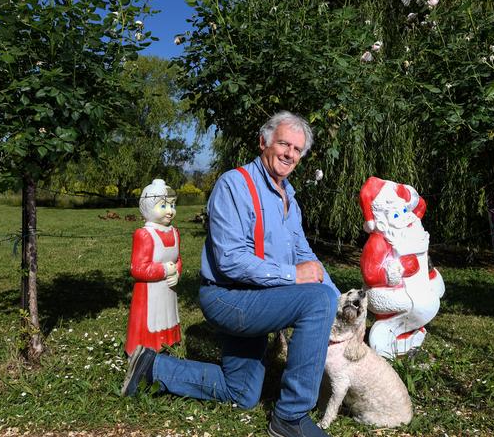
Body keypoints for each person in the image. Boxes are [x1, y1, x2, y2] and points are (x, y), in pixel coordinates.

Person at [122, 112, 340, 437]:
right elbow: (230, 261)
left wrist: (341, 301)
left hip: (259, 300)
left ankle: (152, 368)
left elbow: (304, 254)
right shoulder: (234, 185)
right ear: (263, 141)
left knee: (242, 393)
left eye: (297, 149)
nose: (290, 154)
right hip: (228, 298)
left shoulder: (289, 199)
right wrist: (296, 278)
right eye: (284, 143)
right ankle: (291, 417)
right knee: (317, 301)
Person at [124, 179, 182, 356]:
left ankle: (170, 342)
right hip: (149, 293)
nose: (170, 211)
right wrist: (165, 269)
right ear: (147, 207)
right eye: (163, 205)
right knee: (152, 319)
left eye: (172, 205)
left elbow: (177, 258)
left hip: (168, 289)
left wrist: (177, 272)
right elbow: (138, 269)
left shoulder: (174, 232)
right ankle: (144, 350)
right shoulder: (144, 234)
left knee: (169, 315)